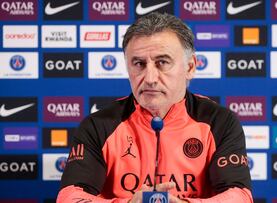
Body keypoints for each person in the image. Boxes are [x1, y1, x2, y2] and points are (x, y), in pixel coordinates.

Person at [57, 12, 253, 203]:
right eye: (139, 64)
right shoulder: (98, 126)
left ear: (190, 67)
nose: (150, 78)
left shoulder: (219, 121)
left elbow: (239, 196)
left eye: (162, 63)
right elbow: (69, 197)